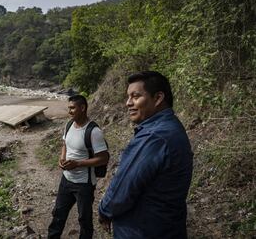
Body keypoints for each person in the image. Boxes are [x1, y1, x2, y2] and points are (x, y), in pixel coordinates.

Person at [98, 71, 193, 238]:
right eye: (128, 97)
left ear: (158, 98)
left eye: (135, 96)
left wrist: (105, 210)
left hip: (141, 230)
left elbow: (125, 185)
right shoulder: (171, 127)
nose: (128, 103)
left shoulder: (153, 137)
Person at [48, 95, 109, 239]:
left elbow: (104, 158)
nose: (69, 111)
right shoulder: (69, 125)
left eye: (73, 108)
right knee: (58, 215)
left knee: (84, 220)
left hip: (84, 184)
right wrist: (61, 158)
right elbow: (65, 144)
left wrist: (78, 164)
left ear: (83, 108)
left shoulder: (94, 131)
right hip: (66, 180)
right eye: (68, 108)